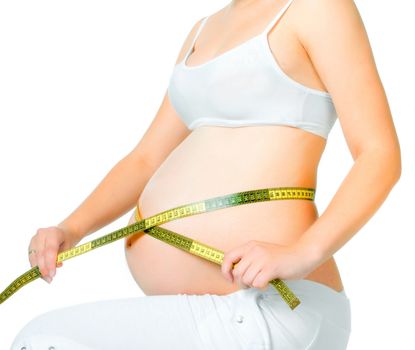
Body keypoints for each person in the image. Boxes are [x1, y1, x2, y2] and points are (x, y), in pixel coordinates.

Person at [11, 0, 401, 349]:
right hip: (209, 311)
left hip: (272, 303)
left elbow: (379, 154)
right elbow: (146, 158)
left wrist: (305, 251)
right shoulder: (203, 30)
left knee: (46, 340)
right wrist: (71, 229)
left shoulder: (316, 8)